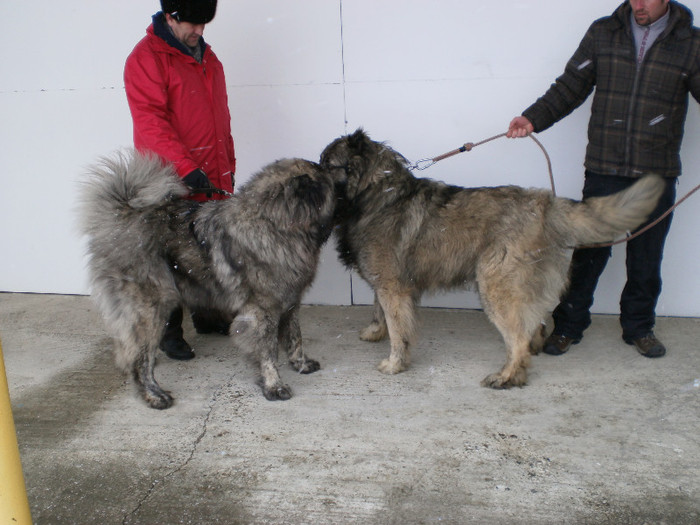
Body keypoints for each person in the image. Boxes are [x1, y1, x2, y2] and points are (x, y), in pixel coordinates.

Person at [507, 0, 700, 358]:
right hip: (604, 166)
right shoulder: (603, 32)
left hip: (655, 172)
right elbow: (570, 85)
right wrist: (532, 118)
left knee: (646, 258)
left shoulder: (692, 43)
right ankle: (568, 326)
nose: (637, 5)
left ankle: (639, 328)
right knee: (589, 254)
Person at [124, 0, 236, 360]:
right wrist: (186, 168)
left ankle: (207, 314)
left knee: (207, 248)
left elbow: (220, 119)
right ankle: (168, 330)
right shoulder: (146, 59)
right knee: (169, 255)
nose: (200, 31)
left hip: (211, 171)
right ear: (170, 16)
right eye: (193, 23)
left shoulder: (209, 58)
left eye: (205, 23)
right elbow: (151, 122)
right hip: (170, 179)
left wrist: (226, 167)